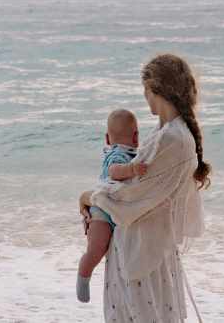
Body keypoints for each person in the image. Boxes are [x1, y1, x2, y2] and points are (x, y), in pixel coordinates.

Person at [78, 53, 210, 322]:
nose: (144, 97)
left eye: (145, 91)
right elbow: (135, 191)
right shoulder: (166, 134)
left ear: (155, 89)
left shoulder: (172, 139)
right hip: (143, 249)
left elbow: (131, 197)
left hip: (144, 255)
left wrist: (89, 197)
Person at [77, 108, 150, 303]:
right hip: (100, 212)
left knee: (105, 246)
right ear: (136, 137)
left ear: (106, 138)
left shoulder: (133, 154)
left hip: (113, 209)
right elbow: (114, 171)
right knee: (96, 249)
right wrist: (132, 169)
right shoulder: (117, 153)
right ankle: (84, 275)